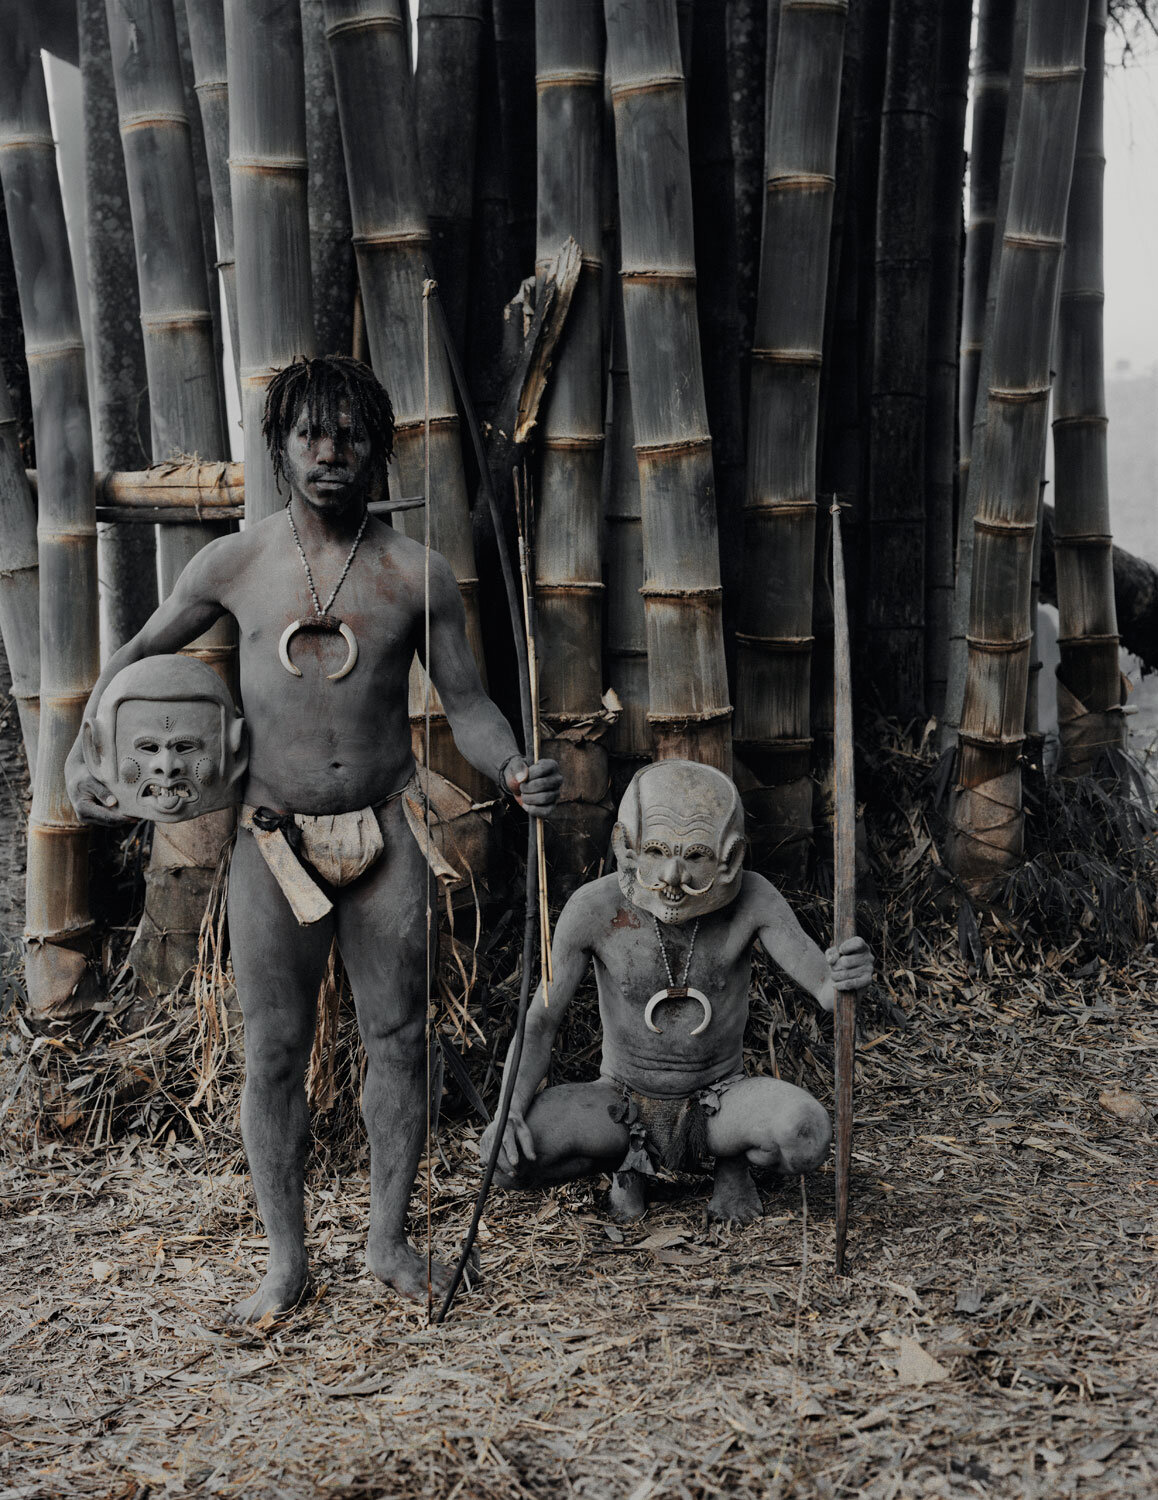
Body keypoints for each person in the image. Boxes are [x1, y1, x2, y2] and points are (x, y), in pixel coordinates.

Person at [68, 355, 561, 1320]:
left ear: (379, 448)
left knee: (401, 1037)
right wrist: (93, 744)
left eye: (350, 435)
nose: (330, 452)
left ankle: (386, 1241)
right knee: (276, 1050)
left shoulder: (414, 574)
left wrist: (510, 769)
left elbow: (469, 706)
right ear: (283, 447)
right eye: (310, 435)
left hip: (384, 832)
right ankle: (285, 1262)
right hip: (270, 840)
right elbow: (135, 656)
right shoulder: (235, 563)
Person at [480, 760, 872, 1224]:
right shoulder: (593, 908)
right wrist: (509, 1109)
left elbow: (827, 989)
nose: (671, 875)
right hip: (620, 1101)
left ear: (730, 858)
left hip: (721, 1100)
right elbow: (540, 1021)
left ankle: (732, 1165)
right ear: (625, 846)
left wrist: (847, 973)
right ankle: (630, 1167)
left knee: (805, 1135)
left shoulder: (755, 900)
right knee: (507, 1160)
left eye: (695, 855)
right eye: (657, 849)